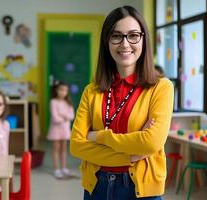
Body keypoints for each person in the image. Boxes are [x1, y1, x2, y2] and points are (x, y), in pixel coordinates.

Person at [70, 6, 174, 200]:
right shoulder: (91, 91)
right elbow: (76, 145)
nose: (125, 44)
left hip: (141, 189)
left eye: (133, 35)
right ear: (106, 42)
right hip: (96, 186)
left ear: (143, 39)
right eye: (116, 36)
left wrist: (99, 137)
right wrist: (130, 156)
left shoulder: (161, 88)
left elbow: (151, 142)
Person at [47, 81, 75, 179]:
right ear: (56, 90)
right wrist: (64, 117)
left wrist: (62, 116)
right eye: (61, 90)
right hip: (55, 130)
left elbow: (72, 116)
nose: (63, 92)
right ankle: (57, 169)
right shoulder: (53, 102)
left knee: (64, 150)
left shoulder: (68, 103)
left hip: (65, 130)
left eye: (65, 90)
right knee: (56, 150)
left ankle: (64, 168)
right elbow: (55, 118)